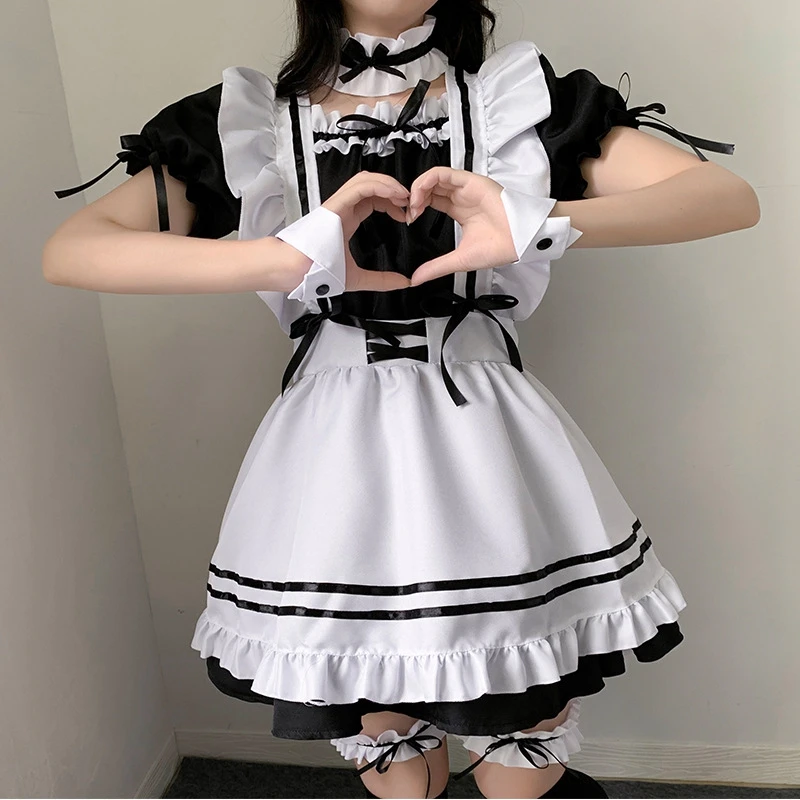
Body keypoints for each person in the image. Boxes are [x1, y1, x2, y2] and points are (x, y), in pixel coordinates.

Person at [46, 1, 759, 797]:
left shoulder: (511, 104)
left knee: (521, 722)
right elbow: (74, 250)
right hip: (334, 449)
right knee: (383, 721)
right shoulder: (254, 125)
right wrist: (279, 257)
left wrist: (539, 223)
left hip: (486, 438)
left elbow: (726, 196)